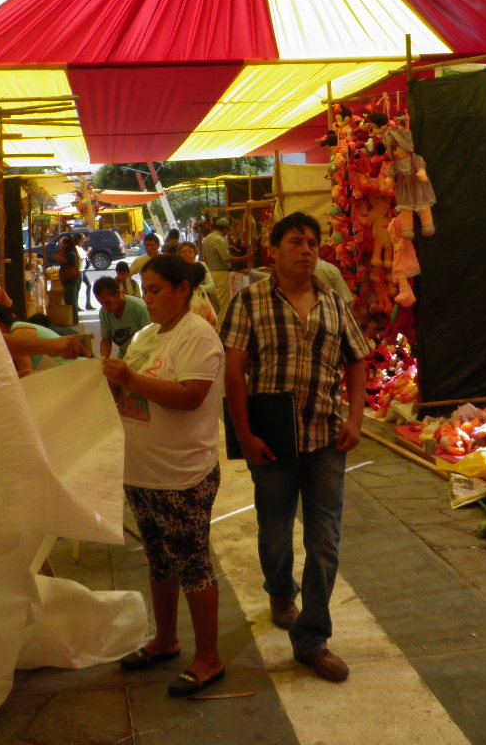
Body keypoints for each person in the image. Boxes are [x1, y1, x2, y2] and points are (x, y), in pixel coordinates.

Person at [221, 211, 370, 683]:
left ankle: (312, 640)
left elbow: (357, 360)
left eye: (312, 243)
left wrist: (355, 419)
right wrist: (245, 434)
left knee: (325, 541)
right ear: (274, 251)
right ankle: (281, 591)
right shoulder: (249, 301)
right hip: (272, 441)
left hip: (326, 437)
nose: (306, 250)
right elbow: (233, 372)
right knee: (275, 531)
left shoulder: (334, 303)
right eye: (295, 242)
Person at [103, 254, 227, 698]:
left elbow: (190, 396)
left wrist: (128, 378)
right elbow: (123, 388)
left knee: (193, 566)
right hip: (142, 473)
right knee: (159, 561)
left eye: (156, 290)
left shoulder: (198, 336)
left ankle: (209, 658)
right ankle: (166, 639)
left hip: (182, 475)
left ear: (183, 289)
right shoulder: (145, 336)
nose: (148, 299)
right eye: (145, 291)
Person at [0, 302, 88, 375]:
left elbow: (26, 373)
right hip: (72, 371)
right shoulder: (19, 328)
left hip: (74, 373)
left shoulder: (18, 331)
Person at [202, 217, 250, 319]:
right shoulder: (219, 239)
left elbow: (204, 257)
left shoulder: (208, 238)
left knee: (215, 301)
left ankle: (215, 322)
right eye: (228, 230)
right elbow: (227, 258)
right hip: (220, 273)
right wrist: (246, 257)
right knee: (222, 303)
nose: (228, 233)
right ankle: (219, 325)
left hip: (211, 272)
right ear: (225, 229)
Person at [93, 276, 150, 359]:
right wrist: (103, 360)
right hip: (124, 357)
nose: (105, 307)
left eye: (108, 302)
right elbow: (106, 341)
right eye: (101, 304)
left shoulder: (140, 308)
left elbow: (150, 341)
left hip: (143, 357)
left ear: (118, 293)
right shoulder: (104, 312)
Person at [49, 233, 84, 324]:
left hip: (70, 279)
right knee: (69, 298)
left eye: (63, 243)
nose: (61, 245)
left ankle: (74, 319)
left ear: (67, 245)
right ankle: (72, 318)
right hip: (67, 279)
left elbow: (62, 260)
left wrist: (57, 256)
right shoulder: (68, 252)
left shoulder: (70, 254)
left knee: (71, 299)